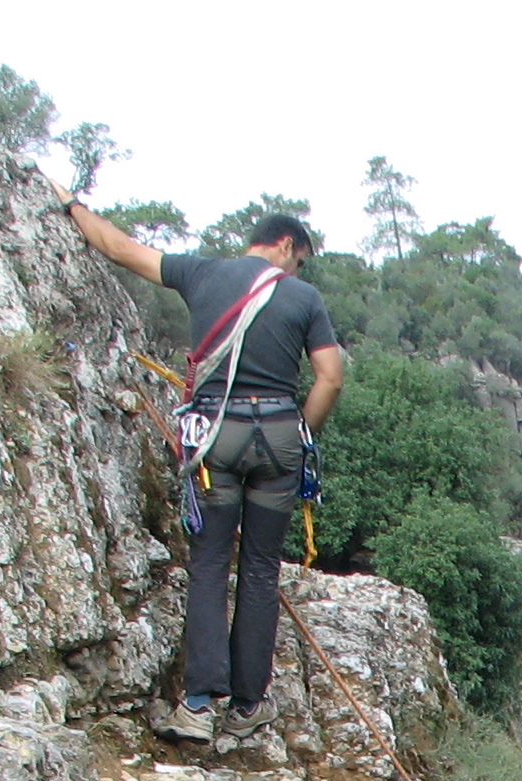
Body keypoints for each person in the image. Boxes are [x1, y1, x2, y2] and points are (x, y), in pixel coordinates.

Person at [59, 197, 346, 743]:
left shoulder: (202, 272)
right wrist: (300, 431)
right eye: (299, 259)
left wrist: (72, 205)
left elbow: (119, 248)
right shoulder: (303, 297)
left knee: (211, 563)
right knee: (261, 570)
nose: (296, 270)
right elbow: (329, 377)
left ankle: (196, 707)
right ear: (286, 246)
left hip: (217, 437)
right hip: (280, 440)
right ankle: (247, 707)